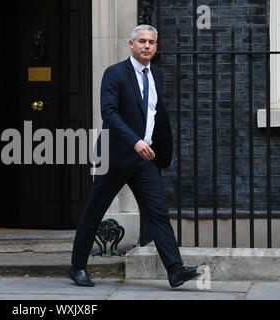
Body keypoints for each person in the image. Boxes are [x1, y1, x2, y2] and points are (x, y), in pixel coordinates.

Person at [69, 25, 205, 289]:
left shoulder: (157, 74)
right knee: (94, 211)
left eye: (152, 42)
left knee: (157, 213)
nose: (147, 46)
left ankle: (174, 270)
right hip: (116, 155)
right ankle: (77, 267)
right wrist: (135, 141)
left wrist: (160, 153)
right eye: (142, 41)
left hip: (146, 159)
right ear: (131, 44)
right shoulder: (115, 73)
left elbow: (156, 115)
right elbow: (109, 113)